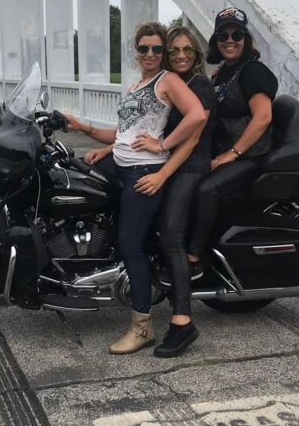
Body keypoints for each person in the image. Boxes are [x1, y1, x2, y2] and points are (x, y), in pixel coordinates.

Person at [64, 22, 205, 355]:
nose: (151, 55)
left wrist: (162, 145)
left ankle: (142, 327)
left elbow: (197, 116)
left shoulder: (166, 81)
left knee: (131, 244)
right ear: (136, 50)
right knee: (71, 175)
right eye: (145, 49)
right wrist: (86, 131)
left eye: (158, 49)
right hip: (120, 163)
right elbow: (123, 132)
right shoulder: (136, 85)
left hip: (143, 172)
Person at [187, 7, 277, 272]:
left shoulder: (252, 72)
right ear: (215, 41)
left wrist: (234, 153)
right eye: (222, 34)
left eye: (236, 34)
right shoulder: (220, 74)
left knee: (207, 190)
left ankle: (193, 258)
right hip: (224, 153)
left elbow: (262, 117)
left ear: (246, 39)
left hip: (251, 156)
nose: (229, 40)